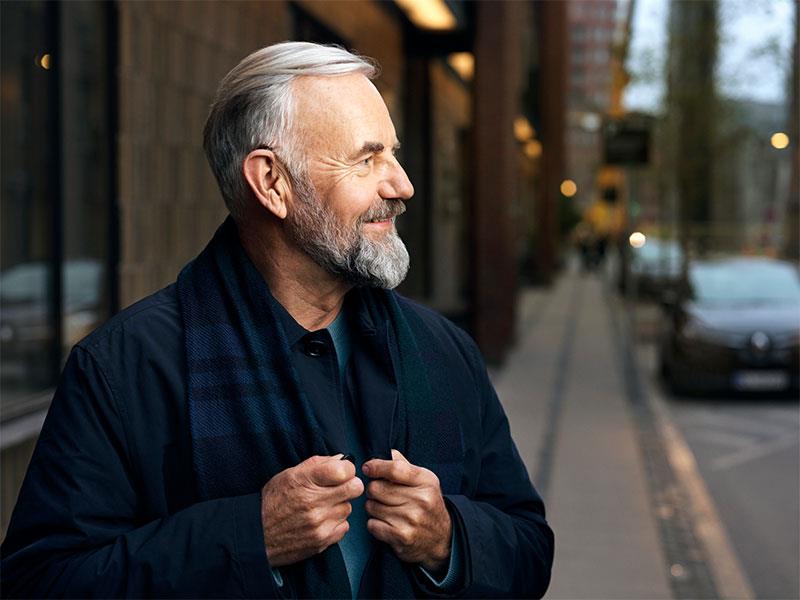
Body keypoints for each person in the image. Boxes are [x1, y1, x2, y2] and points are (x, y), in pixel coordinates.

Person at [1, 42, 554, 598]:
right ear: (271, 183)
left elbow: (529, 549)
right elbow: (40, 583)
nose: (402, 185)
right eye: (367, 159)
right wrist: (248, 539)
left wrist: (449, 540)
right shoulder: (124, 369)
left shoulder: (443, 351)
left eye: (394, 154)